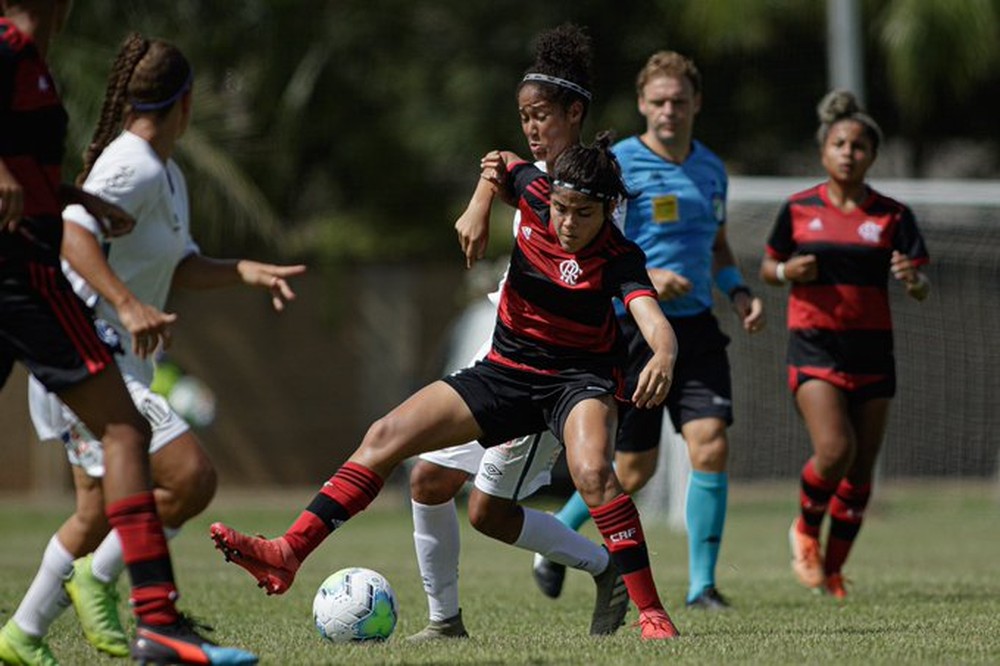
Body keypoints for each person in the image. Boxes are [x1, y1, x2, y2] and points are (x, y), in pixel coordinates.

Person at [211, 133, 684, 640]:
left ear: (608, 209)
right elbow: (501, 160)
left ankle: (652, 613)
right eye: (561, 209)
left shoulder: (619, 255)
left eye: (583, 214)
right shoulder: (535, 192)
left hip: (575, 383)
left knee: (591, 471)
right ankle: (288, 553)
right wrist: (479, 205)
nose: (567, 223)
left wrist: (665, 351)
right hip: (504, 371)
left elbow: (648, 314)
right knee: (385, 436)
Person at [0, 12, 269, 665]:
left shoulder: (162, 170)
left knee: (97, 511)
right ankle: (133, 604)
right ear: (186, 102)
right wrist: (126, 302)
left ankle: (23, 633)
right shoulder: (134, 163)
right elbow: (68, 230)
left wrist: (244, 271)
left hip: (87, 338)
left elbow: (159, 254)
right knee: (189, 474)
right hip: (80, 333)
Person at [407, 24, 628, 642]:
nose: (532, 128)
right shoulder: (534, 173)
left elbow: (511, 170)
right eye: (523, 117)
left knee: (487, 511)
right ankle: (444, 622)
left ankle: (607, 567)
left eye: (541, 116)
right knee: (429, 481)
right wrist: (480, 198)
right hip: (503, 348)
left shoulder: (598, 191)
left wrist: (491, 187)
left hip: (552, 367)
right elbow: (502, 161)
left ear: (575, 112)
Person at [532, 50, 764, 611]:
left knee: (710, 444)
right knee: (633, 468)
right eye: (658, 101)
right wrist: (648, 276)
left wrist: (737, 290)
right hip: (632, 331)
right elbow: (586, 241)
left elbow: (717, 244)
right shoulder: (617, 165)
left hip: (696, 331)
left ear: (696, 104)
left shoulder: (711, 168)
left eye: (679, 101)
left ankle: (701, 586)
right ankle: (555, 539)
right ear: (642, 103)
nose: (669, 110)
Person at [760, 89, 929, 599]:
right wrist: (788, 270)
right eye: (840, 143)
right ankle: (806, 531)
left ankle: (832, 572)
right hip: (815, 347)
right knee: (835, 449)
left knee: (860, 468)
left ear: (872, 156)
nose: (849, 152)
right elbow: (770, 268)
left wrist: (912, 279)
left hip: (874, 351)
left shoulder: (893, 216)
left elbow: (919, 284)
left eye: (859, 146)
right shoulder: (797, 209)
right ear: (824, 152)